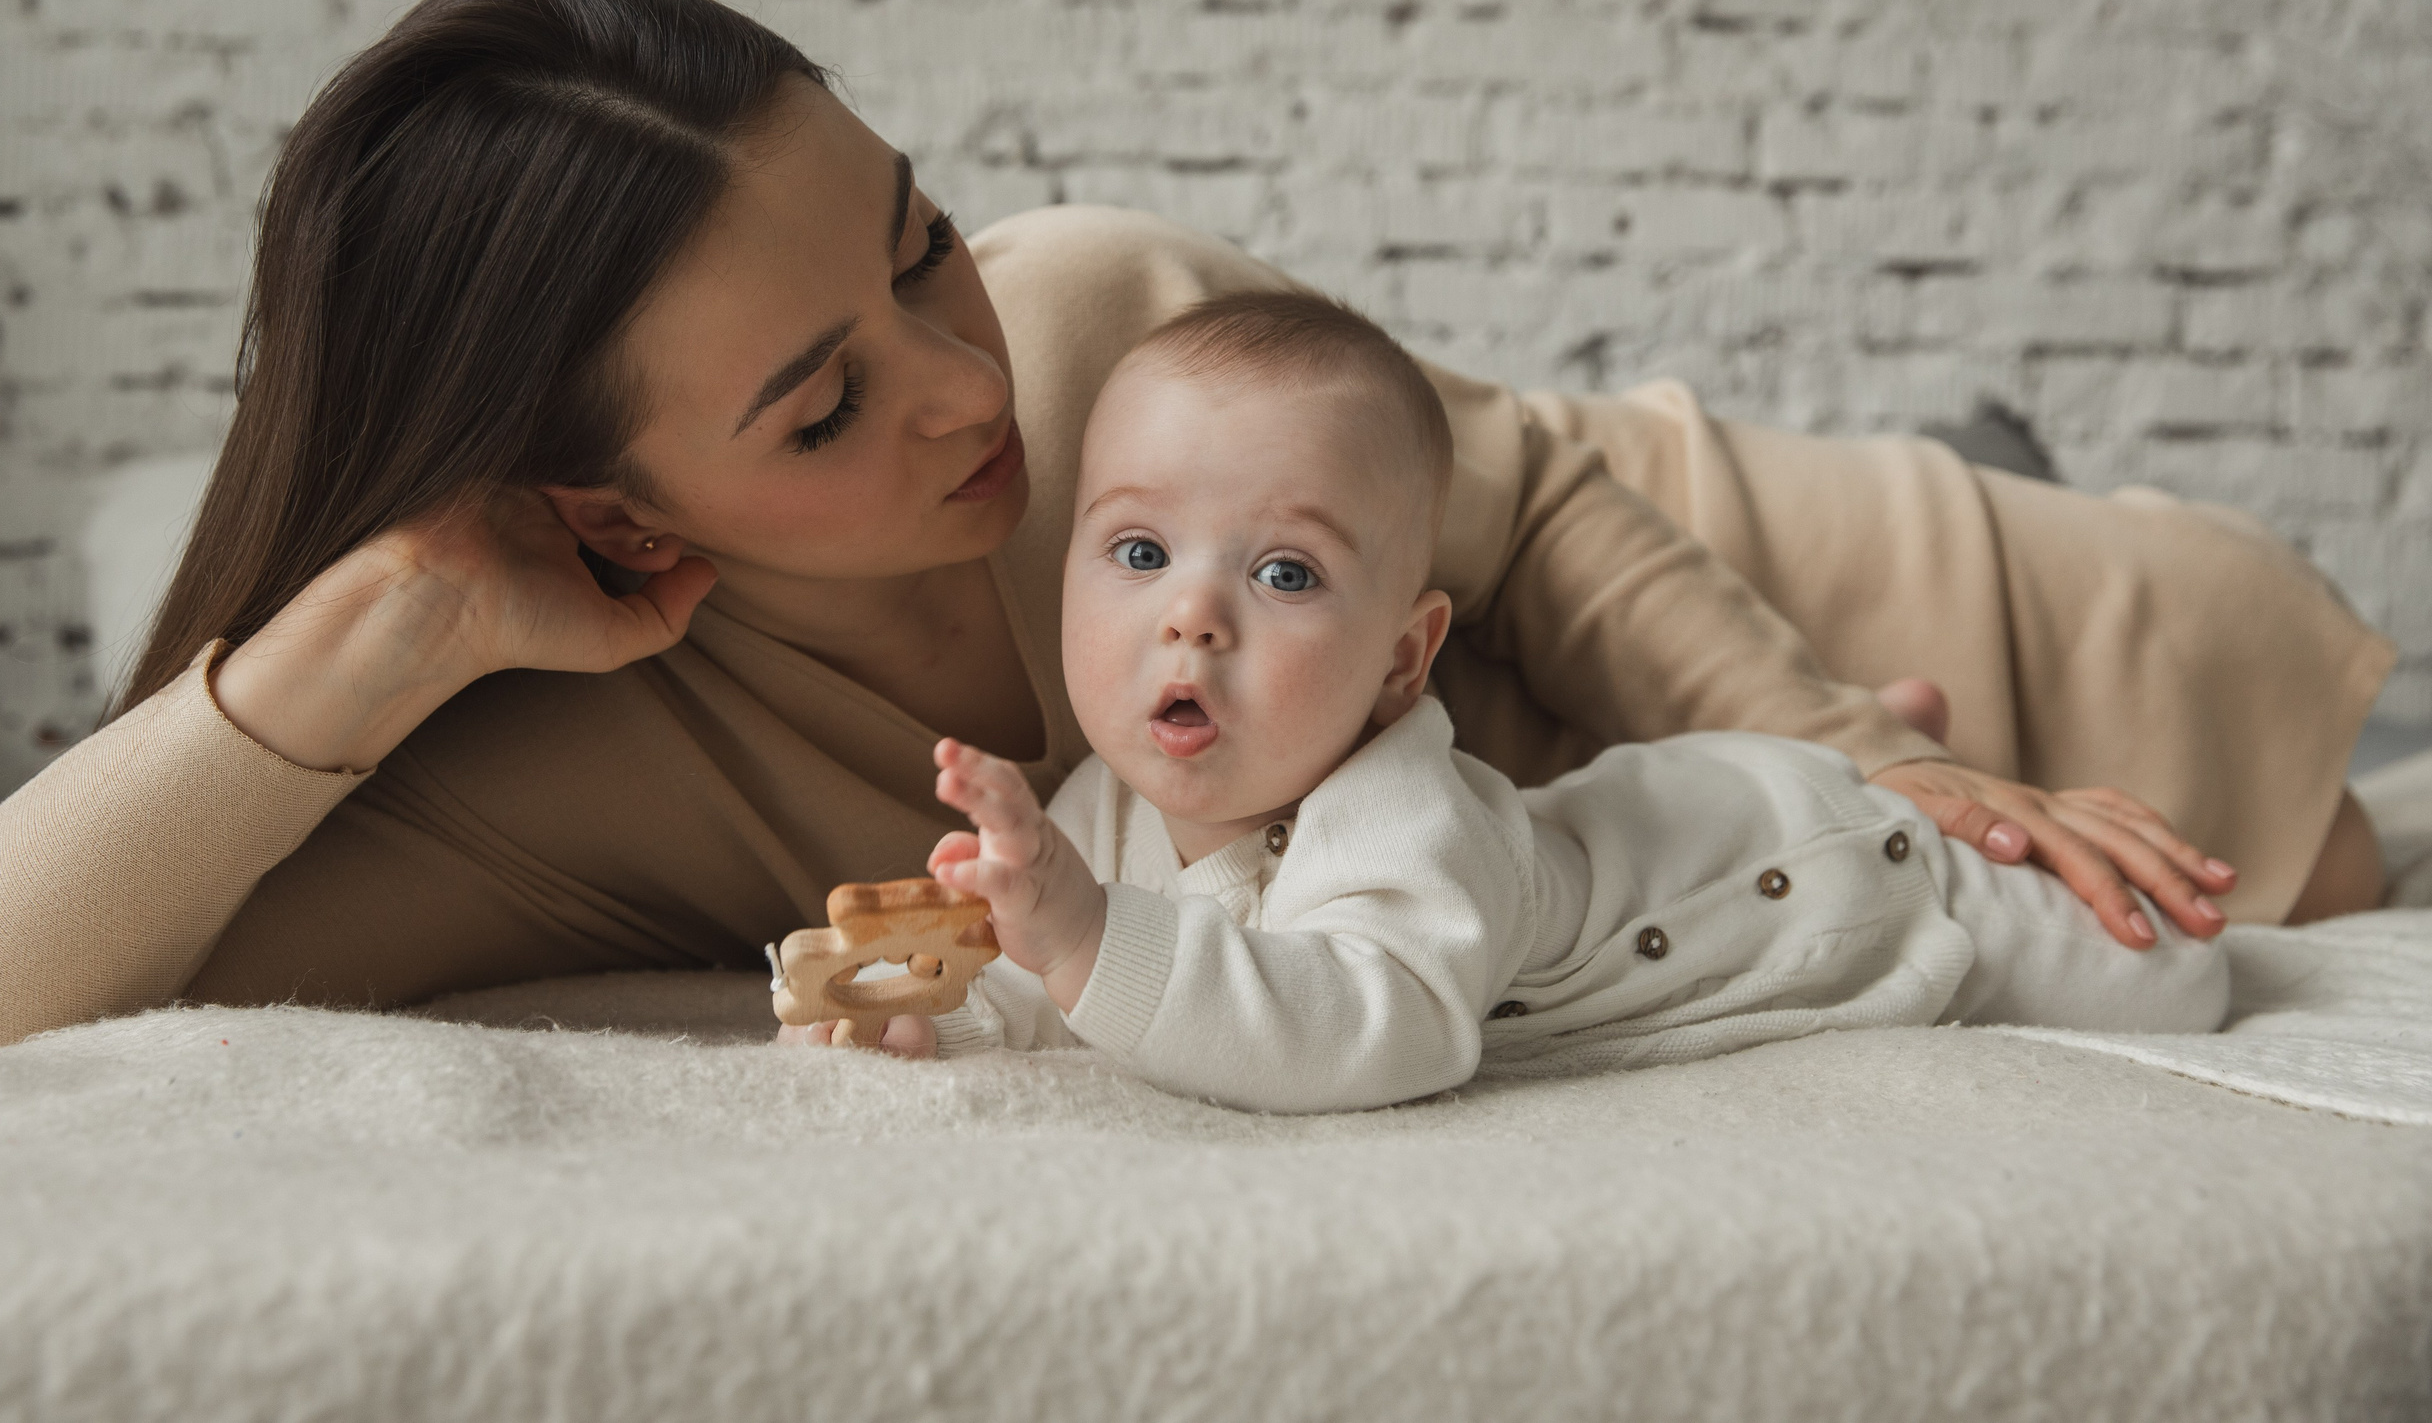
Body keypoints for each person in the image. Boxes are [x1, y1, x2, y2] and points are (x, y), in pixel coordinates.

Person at [0, 0, 2392, 1053]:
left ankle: (1997, 451)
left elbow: (1525, 490)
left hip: (1775, 640)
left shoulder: (1084, 318)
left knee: (2312, 848)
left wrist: (1871, 749)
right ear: (583, 497)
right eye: (821, 402)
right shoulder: (543, 741)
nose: (967, 385)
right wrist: (390, 621)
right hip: (1621, 876)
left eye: (913, 236)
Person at [790, 294, 2229, 1112]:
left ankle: (1922, 751)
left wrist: (1091, 933)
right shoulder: (1104, 808)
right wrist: (948, 1014)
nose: (1192, 612)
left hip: (1821, 873)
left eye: (1284, 571)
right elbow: (1098, 1002)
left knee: (2174, 969)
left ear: (1405, 662)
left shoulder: (1402, 809)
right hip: (1672, 799)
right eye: (1141, 551)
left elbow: (1371, 1026)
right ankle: (1872, 729)